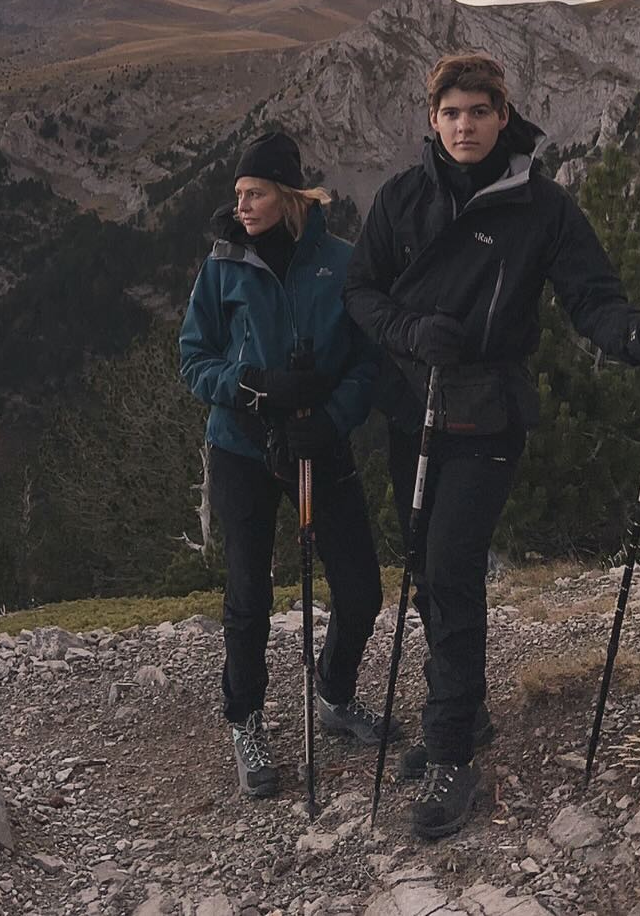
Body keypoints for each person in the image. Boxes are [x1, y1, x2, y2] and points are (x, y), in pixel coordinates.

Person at [344, 52, 640, 840]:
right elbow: (360, 290)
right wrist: (408, 330)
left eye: (479, 111)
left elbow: (592, 300)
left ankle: (449, 756)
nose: (465, 125)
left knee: (450, 567)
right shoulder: (401, 199)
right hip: (414, 409)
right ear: (431, 121)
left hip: (489, 415)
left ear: (504, 117)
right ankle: (463, 718)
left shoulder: (543, 208)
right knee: (428, 574)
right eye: (451, 113)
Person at [180, 128, 394, 799]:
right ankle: (245, 720)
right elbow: (194, 359)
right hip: (241, 446)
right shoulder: (222, 266)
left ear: (289, 194)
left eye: (255, 192)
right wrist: (253, 387)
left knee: (360, 587)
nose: (241, 205)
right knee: (248, 596)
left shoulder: (341, 261)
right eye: (238, 194)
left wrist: (330, 419)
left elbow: (367, 363)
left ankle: (332, 693)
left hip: (318, 442)